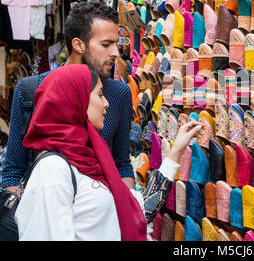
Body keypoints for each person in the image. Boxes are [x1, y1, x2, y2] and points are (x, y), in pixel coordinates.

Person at [14, 64, 202, 240]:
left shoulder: (90, 160)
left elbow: (135, 211)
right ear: (76, 100)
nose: (106, 103)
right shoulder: (53, 169)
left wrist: (176, 151)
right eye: (100, 94)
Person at [1, 1, 136, 193]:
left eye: (116, 43)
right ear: (78, 45)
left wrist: (129, 213)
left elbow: (121, 164)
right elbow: (14, 170)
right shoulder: (31, 89)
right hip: (45, 210)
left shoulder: (118, 94)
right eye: (106, 44)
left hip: (100, 213)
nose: (115, 53)